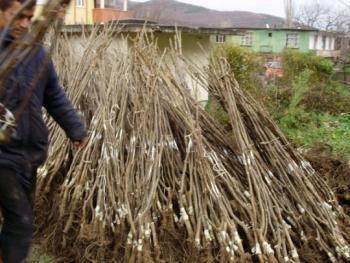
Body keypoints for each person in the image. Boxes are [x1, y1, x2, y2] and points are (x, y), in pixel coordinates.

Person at [0, 1, 88, 262]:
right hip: (3, 156)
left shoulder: (36, 54)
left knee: (18, 221)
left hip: (27, 154)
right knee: (21, 221)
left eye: (29, 18)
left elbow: (53, 94)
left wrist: (76, 129)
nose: (25, 24)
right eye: (18, 17)